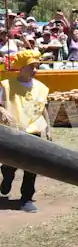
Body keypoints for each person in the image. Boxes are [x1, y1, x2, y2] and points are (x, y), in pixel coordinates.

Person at [0, 50, 51, 212]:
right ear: (21, 68)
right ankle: (7, 175)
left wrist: (48, 128)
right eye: (31, 66)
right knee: (11, 163)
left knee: (32, 165)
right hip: (13, 131)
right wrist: (2, 110)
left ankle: (26, 198)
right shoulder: (7, 85)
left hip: (33, 131)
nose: (35, 70)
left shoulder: (42, 88)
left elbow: (43, 109)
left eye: (37, 66)